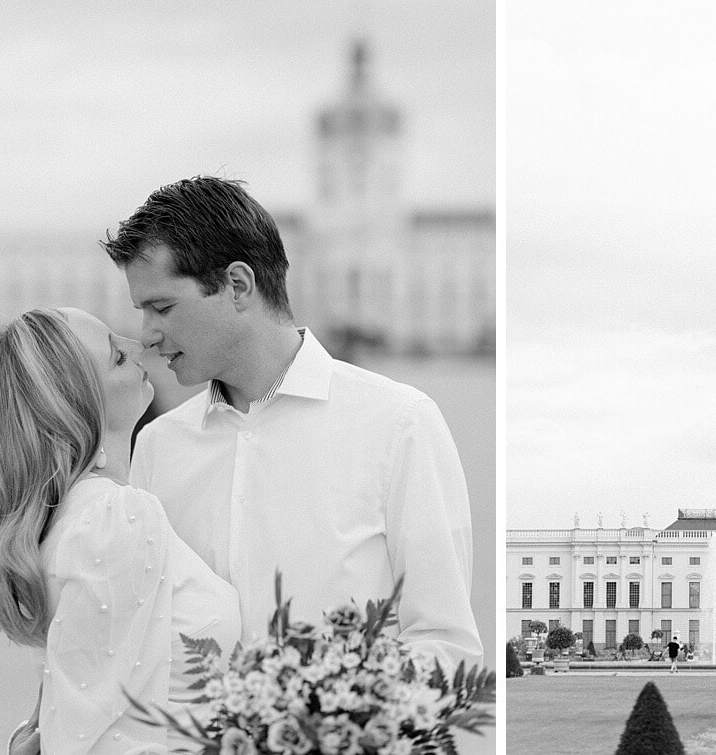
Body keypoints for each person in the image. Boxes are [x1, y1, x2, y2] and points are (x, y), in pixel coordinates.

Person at [101, 176, 481, 667]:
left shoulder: (400, 425)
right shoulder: (156, 445)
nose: (148, 335)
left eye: (163, 307)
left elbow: (446, 643)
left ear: (238, 286)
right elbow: (136, 636)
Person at [0, 308, 241, 754]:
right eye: (115, 354)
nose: (138, 345)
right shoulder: (114, 516)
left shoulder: (69, 518)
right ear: (76, 402)